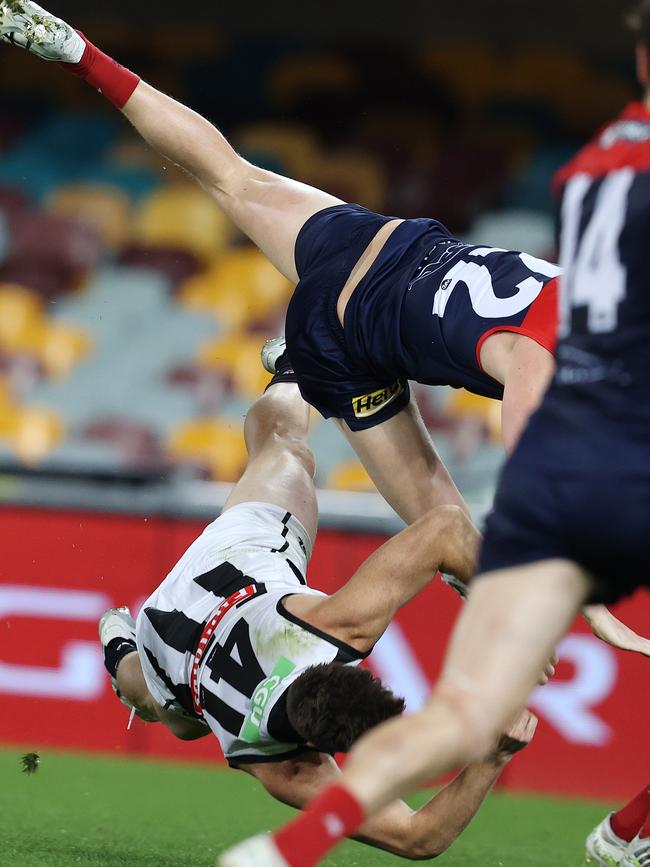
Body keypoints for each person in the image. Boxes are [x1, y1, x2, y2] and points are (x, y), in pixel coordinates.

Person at [2, 0, 648, 658]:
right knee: (445, 523)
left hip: (381, 245)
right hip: (351, 341)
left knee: (231, 176)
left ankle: (80, 54)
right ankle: (297, 370)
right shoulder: (554, 358)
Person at [216, 3, 650, 864]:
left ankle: (287, 849)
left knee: (460, 706)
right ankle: (624, 832)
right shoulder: (574, 325)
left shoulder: (598, 183)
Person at [98, 372, 539, 862]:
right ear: (314, 746)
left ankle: (292, 375)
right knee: (171, 711)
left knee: (284, 450)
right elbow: (417, 838)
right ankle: (120, 652)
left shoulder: (339, 630)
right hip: (172, 646)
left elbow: (447, 528)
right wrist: (492, 758)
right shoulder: (287, 769)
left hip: (225, 573)